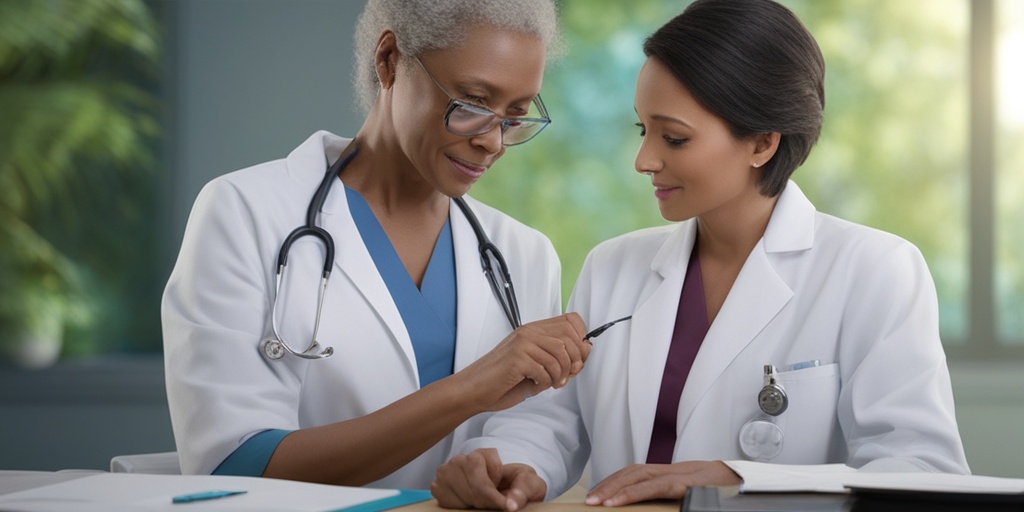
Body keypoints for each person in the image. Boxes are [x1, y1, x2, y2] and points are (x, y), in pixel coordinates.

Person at [430, 0, 971, 509]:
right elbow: (552, 423)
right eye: (644, 130)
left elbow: (923, 471)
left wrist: (736, 477)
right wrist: (510, 466)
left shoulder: (875, 270)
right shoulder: (613, 266)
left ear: (763, 142)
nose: (644, 160)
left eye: (674, 139)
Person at [161, 0, 591, 490]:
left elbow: (532, 423)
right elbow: (234, 464)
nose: (492, 142)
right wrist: (469, 390)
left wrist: (506, 468)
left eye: (514, 117)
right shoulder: (243, 212)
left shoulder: (522, 253)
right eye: (471, 104)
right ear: (389, 60)